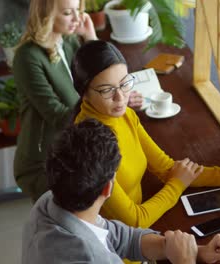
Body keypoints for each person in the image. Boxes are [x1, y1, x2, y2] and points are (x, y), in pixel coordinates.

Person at [71, 40, 220, 228]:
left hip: (140, 233)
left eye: (124, 84)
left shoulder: (125, 116)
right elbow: (136, 220)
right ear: (84, 92)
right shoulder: (87, 148)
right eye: (107, 90)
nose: (120, 97)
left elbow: (168, 169)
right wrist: (177, 185)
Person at [22, 118, 220, 264]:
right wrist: (185, 261)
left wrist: (193, 250)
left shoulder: (49, 202)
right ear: (108, 188)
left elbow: (119, 237)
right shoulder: (93, 258)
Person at [13, 0, 143, 202]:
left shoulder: (68, 40)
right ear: (45, 16)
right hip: (46, 161)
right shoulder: (27, 57)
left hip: (75, 146)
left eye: (78, 10)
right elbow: (57, 115)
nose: (78, 18)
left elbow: (95, 76)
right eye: (67, 13)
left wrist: (90, 37)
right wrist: (110, 98)